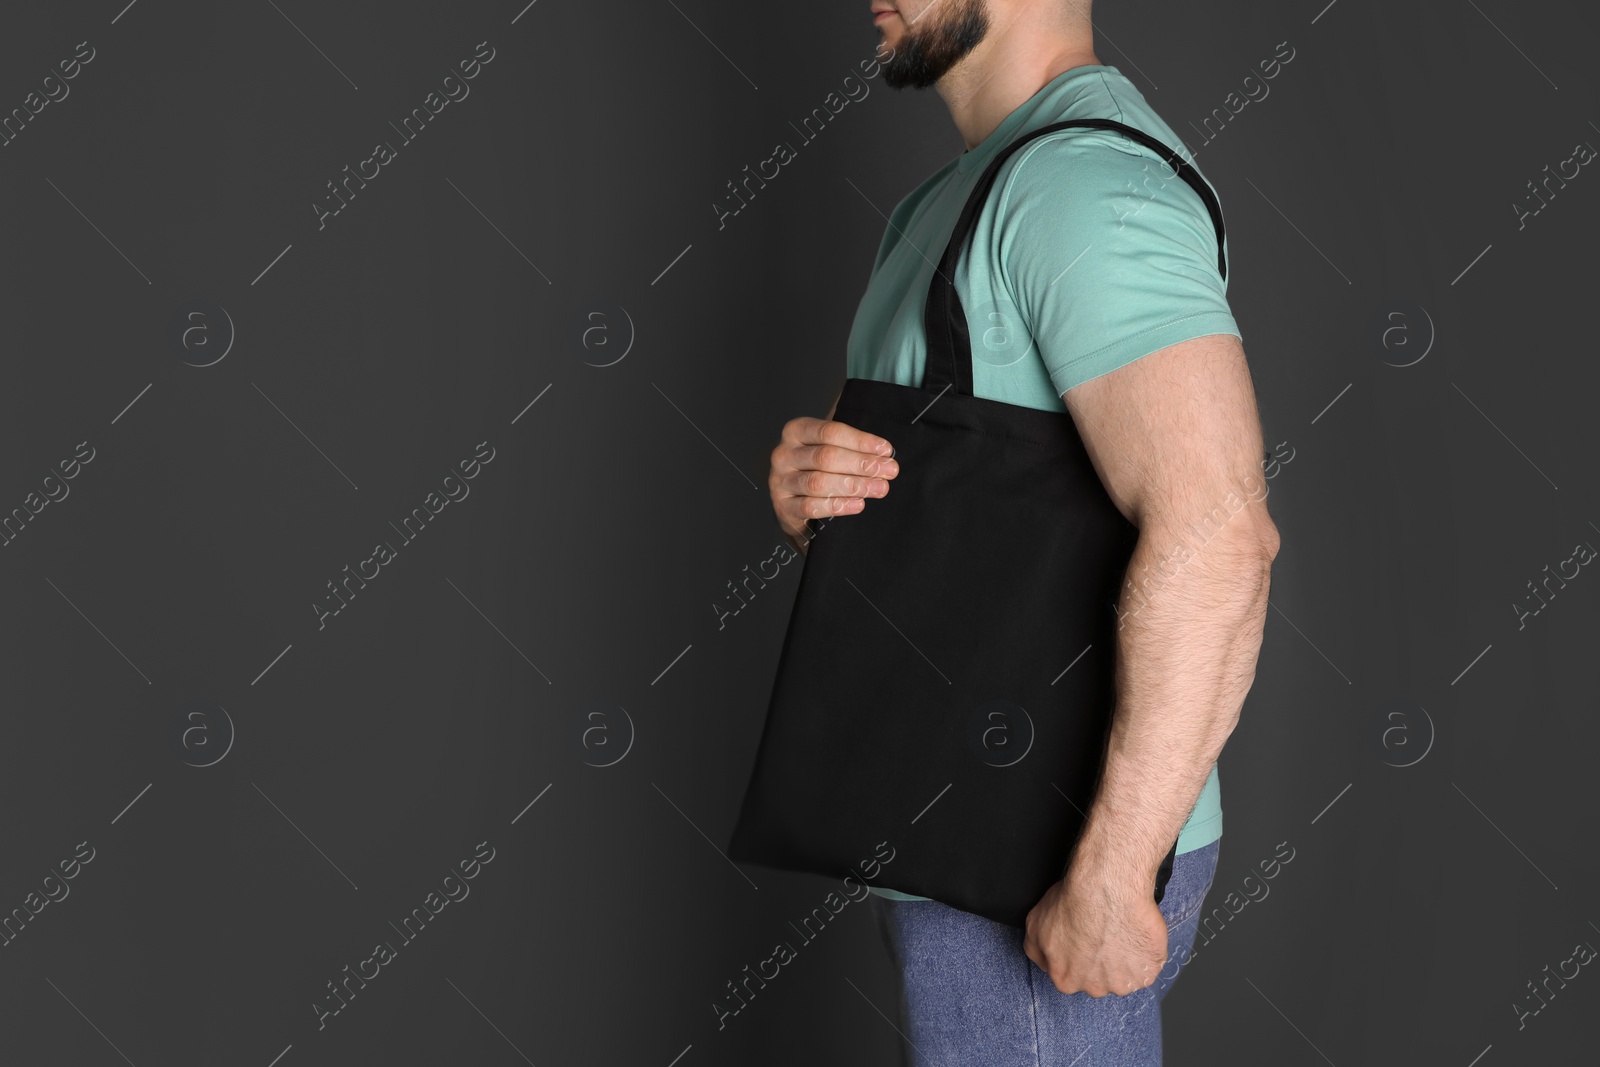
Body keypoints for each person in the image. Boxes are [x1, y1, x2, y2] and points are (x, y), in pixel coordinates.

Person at [764, 0, 1280, 1063]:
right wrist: (819, 505)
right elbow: (977, 528)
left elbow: (1220, 540)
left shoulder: (1082, 189)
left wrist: (1111, 868)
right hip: (959, 819)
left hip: (1036, 849)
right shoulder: (945, 200)